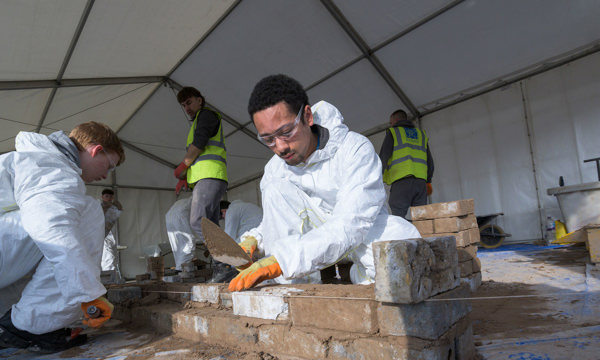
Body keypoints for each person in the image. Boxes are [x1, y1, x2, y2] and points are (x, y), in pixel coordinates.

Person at [228, 74, 421, 292]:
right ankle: (294, 291)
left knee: (402, 241)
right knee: (274, 189)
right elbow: (280, 217)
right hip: (308, 246)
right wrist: (255, 239)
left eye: (286, 132)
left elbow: (350, 224)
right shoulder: (275, 168)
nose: (280, 147)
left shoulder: (354, 149)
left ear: (307, 116)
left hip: (358, 234)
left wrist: (283, 261)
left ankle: (352, 272)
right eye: (268, 139)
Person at [0, 122, 124, 352]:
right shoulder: (51, 168)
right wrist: (89, 295)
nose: (106, 174)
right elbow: (52, 230)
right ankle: (28, 325)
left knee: (58, 223)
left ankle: (29, 322)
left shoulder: (35, 161)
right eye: (109, 165)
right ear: (96, 150)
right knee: (85, 212)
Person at [166, 87, 228, 272]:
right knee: (210, 223)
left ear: (200, 100)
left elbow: (199, 144)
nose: (187, 107)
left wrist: (184, 166)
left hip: (210, 175)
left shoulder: (207, 116)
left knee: (198, 220)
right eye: (183, 105)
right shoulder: (200, 121)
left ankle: (228, 262)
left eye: (189, 102)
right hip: (208, 176)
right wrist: (187, 176)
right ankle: (223, 266)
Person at [378, 109, 434, 218]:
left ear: (396, 120)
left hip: (401, 183)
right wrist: (428, 180)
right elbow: (430, 162)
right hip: (420, 183)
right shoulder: (420, 135)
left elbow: (383, 157)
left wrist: (377, 177)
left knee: (399, 219)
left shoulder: (394, 132)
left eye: (391, 122)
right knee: (421, 219)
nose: (391, 124)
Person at [99, 188, 123, 272]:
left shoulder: (114, 206)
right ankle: (107, 277)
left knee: (112, 256)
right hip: (100, 235)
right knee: (106, 256)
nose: (109, 198)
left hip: (110, 234)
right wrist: (107, 206)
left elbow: (120, 209)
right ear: (102, 197)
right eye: (106, 196)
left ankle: (112, 275)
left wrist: (114, 204)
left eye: (111, 197)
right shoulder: (98, 206)